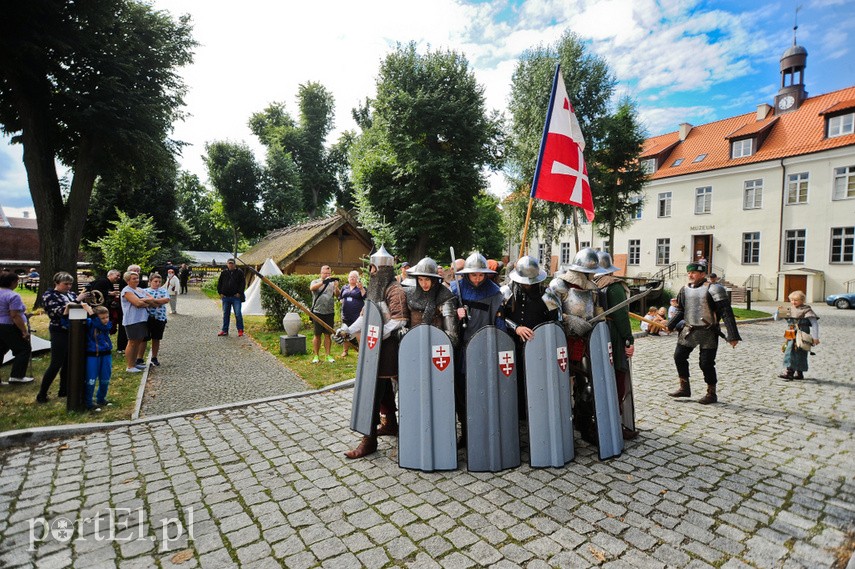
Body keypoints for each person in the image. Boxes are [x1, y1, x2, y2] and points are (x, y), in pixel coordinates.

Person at [337, 246, 409, 459]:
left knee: (376, 389)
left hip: (391, 348)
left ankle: (369, 440)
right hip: (374, 347)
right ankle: (391, 424)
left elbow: (399, 320)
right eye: (370, 267)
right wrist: (348, 330)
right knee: (381, 386)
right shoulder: (374, 288)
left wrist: (377, 336)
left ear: (384, 268)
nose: (371, 271)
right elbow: (366, 315)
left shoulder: (394, 289)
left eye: (374, 267)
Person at [451, 251, 506, 447]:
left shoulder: (494, 293)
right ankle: (465, 433)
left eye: (481, 274)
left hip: (485, 347)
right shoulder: (455, 289)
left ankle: (485, 432)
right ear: (466, 274)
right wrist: (455, 315)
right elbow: (447, 322)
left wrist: (499, 345)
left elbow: (499, 320)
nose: (477, 278)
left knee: (483, 392)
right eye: (474, 275)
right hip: (461, 350)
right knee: (462, 394)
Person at [666, 261, 740, 404]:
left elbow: (725, 311)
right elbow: (681, 310)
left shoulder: (714, 289)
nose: (690, 275)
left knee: (706, 363)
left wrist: (733, 335)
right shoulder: (684, 289)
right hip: (689, 330)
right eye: (689, 273)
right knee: (679, 357)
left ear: (702, 274)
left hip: (708, 332)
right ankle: (684, 387)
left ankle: (711, 393)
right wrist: (670, 325)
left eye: (693, 273)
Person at [502, 256, 556, 418]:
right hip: (513, 344)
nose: (527, 284)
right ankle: (518, 413)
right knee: (515, 380)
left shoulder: (547, 294)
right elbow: (499, 318)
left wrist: (543, 333)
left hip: (538, 346)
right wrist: (516, 328)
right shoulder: (507, 291)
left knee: (537, 381)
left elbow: (556, 320)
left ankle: (536, 411)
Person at [593, 251, 637, 439]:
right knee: (617, 378)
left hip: (595, 334)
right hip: (613, 336)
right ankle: (615, 425)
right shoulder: (613, 287)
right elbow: (620, 316)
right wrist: (629, 339)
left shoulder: (591, 285)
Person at [37, 271, 91, 402]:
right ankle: (42, 394)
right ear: (56, 283)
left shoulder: (71, 294)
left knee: (69, 362)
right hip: (58, 331)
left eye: (70, 284)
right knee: (56, 363)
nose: (68, 286)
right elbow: (58, 312)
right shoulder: (49, 295)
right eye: (65, 284)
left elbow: (78, 308)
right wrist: (77, 300)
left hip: (74, 330)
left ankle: (64, 390)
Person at [0, 271, 34, 385]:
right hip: (9, 326)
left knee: (0, 350)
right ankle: (17, 376)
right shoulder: (13, 295)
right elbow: (14, 315)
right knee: (23, 349)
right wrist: (24, 331)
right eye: (17, 281)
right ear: (13, 282)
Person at [777, 290, 819, 380]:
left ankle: (799, 372)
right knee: (790, 350)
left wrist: (815, 337)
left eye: (796, 300)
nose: (793, 302)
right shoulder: (789, 309)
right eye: (792, 300)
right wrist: (778, 311)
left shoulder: (806, 310)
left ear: (802, 300)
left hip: (802, 332)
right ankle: (789, 372)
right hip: (791, 332)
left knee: (801, 351)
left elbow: (814, 323)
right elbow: (777, 319)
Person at [121, 271, 155, 373]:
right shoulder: (127, 291)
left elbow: (152, 299)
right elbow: (137, 303)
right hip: (132, 319)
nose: (137, 280)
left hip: (142, 319)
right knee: (132, 342)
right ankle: (130, 365)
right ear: (128, 280)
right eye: (134, 278)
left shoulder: (139, 290)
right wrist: (146, 302)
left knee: (138, 341)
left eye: (137, 278)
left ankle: (134, 362)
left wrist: (144, 301)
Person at [83, 305, 112, 411]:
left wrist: (92, 313)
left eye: (107, 317)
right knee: (91, 379)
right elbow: (95, 324)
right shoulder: (90, 322)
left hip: (106, 354)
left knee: (105, 379)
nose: (105, 320)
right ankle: (88, 402)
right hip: (92, 355)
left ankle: (101, 398)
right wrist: (91, 314)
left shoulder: (107, 324)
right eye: (103, 318)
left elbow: (102, 327)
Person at [309, 265, 340, 363]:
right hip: (317, 312)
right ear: (321, 273)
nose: (327, 275)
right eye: (325, 273)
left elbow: (338, 295)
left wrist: (336, 287)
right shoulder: (315, 281)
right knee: (317, 334)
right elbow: (312, 288)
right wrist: (323, 282)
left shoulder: (332, 284)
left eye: (329, 273)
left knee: (328, 335)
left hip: (329, 312)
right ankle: (316, 356)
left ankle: (328, 355)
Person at [145, 273, 171, 367]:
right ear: (150, 282)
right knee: (144, 339)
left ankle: (154, 357)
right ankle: (140, 358)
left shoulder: (163, 291)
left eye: (159, 282)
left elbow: (166, 300)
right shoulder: (145, 291)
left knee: (156, 338)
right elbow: (144, 301)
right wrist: (157, 301)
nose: (158, 283)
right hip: (147, 318)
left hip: (160, 318)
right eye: (155, 281)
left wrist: (152, 301)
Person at [338, 270, 365, 358]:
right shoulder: (344, 287)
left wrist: (361, 289)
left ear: (357, 278)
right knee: (345, 332)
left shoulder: (360, 287)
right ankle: (345, 351)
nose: (352, 278)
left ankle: (361, 352)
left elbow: (365, 297)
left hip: (357, 315)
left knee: (358, 333)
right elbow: (340, 298)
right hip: (346, 314)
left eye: (354, 277)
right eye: (350, 277)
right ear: (348, 278)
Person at [217, 258, 245, 337]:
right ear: (227, 264)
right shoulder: (224, 273)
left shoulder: (239, 272)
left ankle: (240, 330)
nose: (230, 265)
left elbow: (242, 283)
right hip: (226, 297)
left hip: (235, 297)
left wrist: (239, 293)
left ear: (234, 264)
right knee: (226, 314)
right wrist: (220, 292)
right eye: (229, 263)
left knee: (238, 314)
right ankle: (224, 330)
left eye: (232, 263)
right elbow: (220, 283)